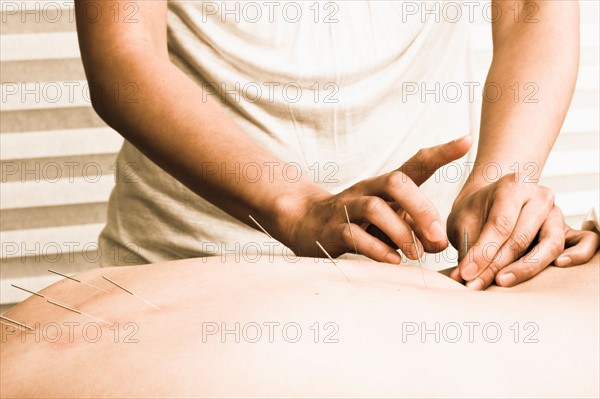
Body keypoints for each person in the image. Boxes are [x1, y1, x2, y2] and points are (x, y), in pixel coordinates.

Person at [75, 0, 599, 290]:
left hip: (426, 281)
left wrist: (498, 184)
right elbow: (125, 53)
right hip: (188, 274)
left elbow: (534, 8)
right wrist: (296, 206)